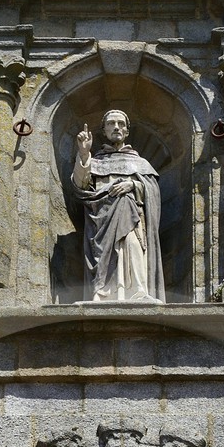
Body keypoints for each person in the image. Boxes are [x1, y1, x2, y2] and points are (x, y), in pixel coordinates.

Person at [72, 110, 165, 303]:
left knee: (132, 247)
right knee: (104, 257)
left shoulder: (140, 163)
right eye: (111, 124)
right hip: (102, 224)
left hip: (133, 222)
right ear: (104, 130)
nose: (116, 127)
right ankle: (103, 294)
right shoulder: (94, 161)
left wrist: (133, 185)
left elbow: (154, 194)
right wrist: (83, 154)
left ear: (127, 131)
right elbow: (81, 187)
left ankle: (138, 292)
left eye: (121, 124)